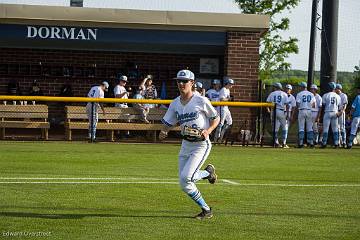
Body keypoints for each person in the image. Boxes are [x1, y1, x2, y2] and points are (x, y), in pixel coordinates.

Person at [158, 69, 220, 220]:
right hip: (186, 144)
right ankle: (206, 208)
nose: (181, 83)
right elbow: (168, 122)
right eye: (178, 81)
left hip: (201, 145)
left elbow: (216, 118)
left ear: (192, 83)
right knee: (184, 183)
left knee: (187, 177)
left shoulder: (201, 100)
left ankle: (207, 176)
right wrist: (163, 132)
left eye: (184, 81)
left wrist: (208, 130)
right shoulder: (175, 103)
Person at [266, 82, 289, 148]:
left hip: (273, 111)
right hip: (281, 111)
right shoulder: (284, 94)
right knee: (285, 126)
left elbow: (267, 103)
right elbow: (287, 104)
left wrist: (268, 110)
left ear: (276, 87)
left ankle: (276, 142)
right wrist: (287, 113)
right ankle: (284, 143)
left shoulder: (272, 93)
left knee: (275, 128)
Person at [321, 82, 341, 148]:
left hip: (327, 112)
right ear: (334, 88)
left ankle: (324, 143)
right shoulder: (338, 96)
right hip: (335, 112)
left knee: (325, 129)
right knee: (335, 129)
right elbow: (339, 106)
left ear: (329, 88)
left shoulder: (325, 95)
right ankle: (336, 143)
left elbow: (323, 104)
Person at [214, 77, 234, 143]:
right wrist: (229, 99)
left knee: (230, 121)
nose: (232, 85)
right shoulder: (223, 89)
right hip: (222, 107)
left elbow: (227, 98)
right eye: (231, 84)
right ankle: (216, 137)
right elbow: (222, 99)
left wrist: (229, 98)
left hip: (226, 107)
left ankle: (221, 135)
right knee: (221, 122)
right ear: (227, 84)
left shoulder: (228, 90)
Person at [296, 82, 316, 148]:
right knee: (310, 128)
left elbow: (298, 104)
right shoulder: (311, 94)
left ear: (302, 87)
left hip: (302, 110)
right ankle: (311, 143)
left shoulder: (299, 94)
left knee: (301, 127)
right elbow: (314, 105)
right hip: (309, 111)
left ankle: (301, 143)